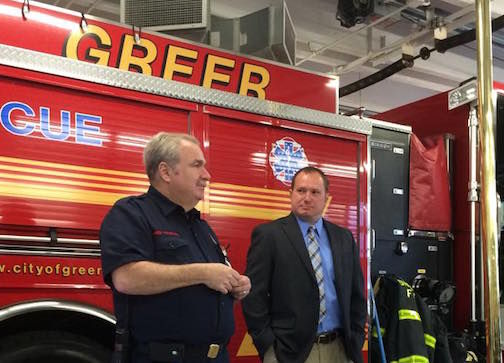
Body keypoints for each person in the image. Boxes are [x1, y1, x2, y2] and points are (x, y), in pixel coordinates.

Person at [100, 132, 251, 363]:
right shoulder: (131, 213)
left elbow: (210, 281)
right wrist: (204, 273)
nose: (207, 176)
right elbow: (126, 277)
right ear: (165, 171)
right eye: (197, 165)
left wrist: (234, 285)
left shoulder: (200, 227)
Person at [242, 166, 366, 363]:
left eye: (315, 192)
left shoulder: (343, 238)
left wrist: (356, 338)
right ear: (290, 194)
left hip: (340, 350)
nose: (307, 198)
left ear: (326, 198)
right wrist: (268, 347)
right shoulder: (269, 235)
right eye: (301, 191)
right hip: (288, 353)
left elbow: (356, 293)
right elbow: (253, 295)